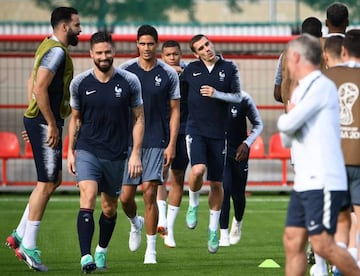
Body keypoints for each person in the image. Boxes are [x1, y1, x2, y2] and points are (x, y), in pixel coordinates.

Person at [5, 7, 81, 272]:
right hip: (45, 121)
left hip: (40, 119)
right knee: (47, 182)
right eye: (76, 25)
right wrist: (47, 123)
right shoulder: (57, 51)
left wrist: (33, 114)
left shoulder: (47, 45)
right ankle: (28, 245)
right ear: (64, 27)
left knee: (53, 180)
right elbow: (39, 86)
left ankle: (18, 234)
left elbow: (31, 81)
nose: (80, 30)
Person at [277, 33, 360, 276]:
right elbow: (285, 136)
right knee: (292, 240)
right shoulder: (302, 89)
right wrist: (290, 119)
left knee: (323, 244)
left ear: (295, 57)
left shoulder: (322, 85)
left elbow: (288, 125)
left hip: (322, 179)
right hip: (304, 179)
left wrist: (289, 119)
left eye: (286, 60)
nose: (285, 66)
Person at [67, 31, 144, 273]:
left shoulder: (129, 81)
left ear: (114, 52)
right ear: (90, 54)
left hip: (117, 153)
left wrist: (135, 153)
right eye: (98, 52)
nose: (103, 56)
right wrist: (70, 151)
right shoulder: (79, 83)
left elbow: (139, 117)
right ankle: (85, 257)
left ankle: (101, 249)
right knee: (88, 195)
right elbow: (75, 119)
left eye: (107, 52)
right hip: (87, 148)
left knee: (110, 207)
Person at [119, 25, 180, 264]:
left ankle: (151, 250)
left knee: (150, 193)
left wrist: (172, 144)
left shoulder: (168, 74)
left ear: (157, 44)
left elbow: (175, 111)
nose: (146, 48)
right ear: (137, 44)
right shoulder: (125, 71)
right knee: (125, 198)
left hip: (157, 140)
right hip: (128, 143)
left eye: (150, 44)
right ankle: (135, 223)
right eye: (142, 43)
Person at [181, 34, 242, 254]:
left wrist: (217, 94)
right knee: (197, 170)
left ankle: (213, 229)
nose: (207, 49)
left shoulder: (229, 68)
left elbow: (237, 97)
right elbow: (180, 97)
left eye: (207, 44)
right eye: (201, 47)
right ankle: (194, 204)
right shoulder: (190, 71)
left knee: (217, 184)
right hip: (195, 130)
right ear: (195, 54)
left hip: (219, 133)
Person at [323, 29, 360, 274]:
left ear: (343, 50)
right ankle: (354, 258)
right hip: (358, 156)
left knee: (340, 216)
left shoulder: (325, 79)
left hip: (332, 159)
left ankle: (339, 264)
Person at [219, 91, 263, 247]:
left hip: (240, 152)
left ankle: (237, 221)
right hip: (221, 152)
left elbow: (258, 124)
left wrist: (247, 143)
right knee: (224, 190)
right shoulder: (213, 97)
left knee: (238, 195)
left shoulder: (244, 99)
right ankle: (223, 233)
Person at [156, 40, 189, 248]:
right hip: (161, 129)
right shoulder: (157, 74)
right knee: (161, 175)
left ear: (180, 55)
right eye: (168, 55)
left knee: (178, 177)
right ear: (162, 56)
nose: (172, 58)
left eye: (175, 54)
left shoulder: (189, 72)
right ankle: (161, 220)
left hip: (185, 129)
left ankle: (170, 229)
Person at [273, 16, 323, 106]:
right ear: (321, 35)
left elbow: (277, 94)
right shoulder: (328, 55)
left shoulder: (285, 55)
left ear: (301, 35)